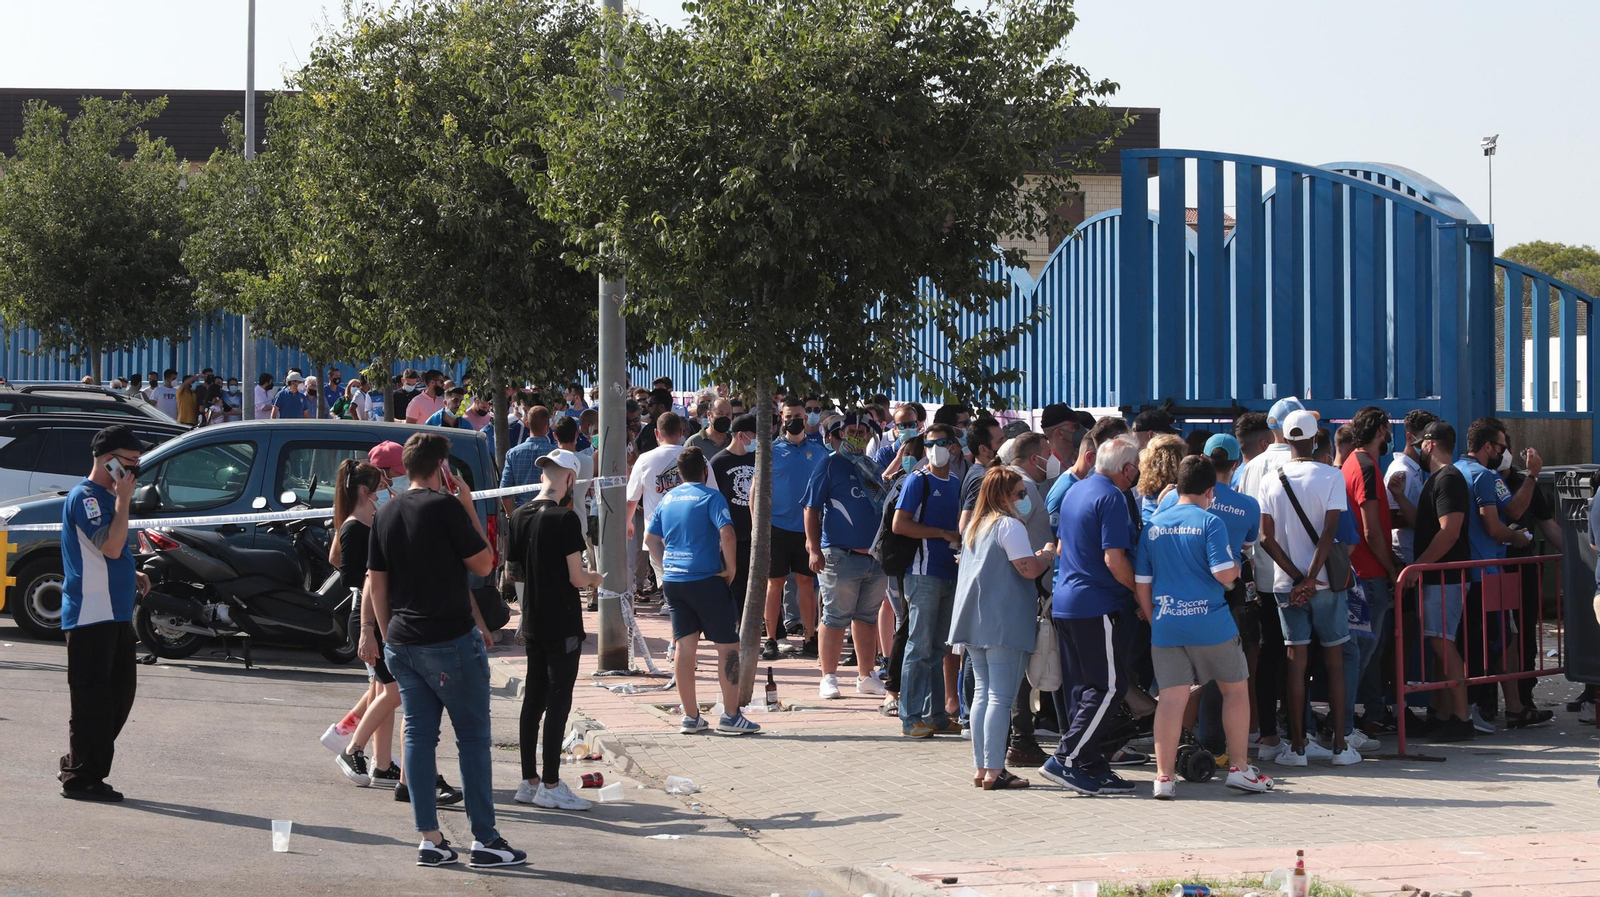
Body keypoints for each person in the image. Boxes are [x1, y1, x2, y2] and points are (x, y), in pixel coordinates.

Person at [364, 432, 525, 869]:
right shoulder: (448, 508)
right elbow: (485, 563)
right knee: (472, 739)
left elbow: (376, 582)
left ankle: (430, 839)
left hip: (402, 640)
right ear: (441, 468)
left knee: (419, 735)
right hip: (450, 639)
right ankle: (485, 839)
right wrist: (468, 504)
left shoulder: (386, 511)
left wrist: (387, 635)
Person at [1137, 455, 1274, 799]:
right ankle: (1240, 770)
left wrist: (1154, 618)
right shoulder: (1210, 522)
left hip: (1167, 622)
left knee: (1170, 699)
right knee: (1235, 690)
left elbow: (1142, 582)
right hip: (1211, 622)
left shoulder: (1153, 525)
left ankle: (1163, 778)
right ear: (1210, 491)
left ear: (1177, 487)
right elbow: (1225, 573)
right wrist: (1236, 575)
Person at [1036, 434, 1141, 796]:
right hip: (1097, 602)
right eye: (1135, 469)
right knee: (1109, 687)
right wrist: (1140, 593)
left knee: (1084, 689)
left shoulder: (1075, 490)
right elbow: (1115, 560)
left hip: (1068, 599)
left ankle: (1090, 763)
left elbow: (1066, 545)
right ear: (1126, 469)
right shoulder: (1112, 497)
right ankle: (1067, 758)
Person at [1256, 409, 1359, 767]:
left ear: (1284, 439)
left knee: (1294, 663)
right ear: (1316, 440)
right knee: (1334, 660)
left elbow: (1266, 538)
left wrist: (1297, 578)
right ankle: (1340, 746)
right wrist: (1313, 577)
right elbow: (1330, 533)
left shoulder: (1270, 480)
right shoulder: (1330, 476)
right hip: (1326, 583)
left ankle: (1297, 746)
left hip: (1287, 586)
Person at [57, 425, 152, 802]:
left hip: (112, 615)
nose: (134, 470)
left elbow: (112, 554)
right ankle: (81, 778)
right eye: (130, 462)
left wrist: (134, 570)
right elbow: (110, 548)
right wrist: (124, 500)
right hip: (90, 616)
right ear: (108, 460)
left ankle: (84, 764)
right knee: (92, 701)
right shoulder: (89, 498)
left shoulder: (106, 497)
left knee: (117, 696)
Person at [506, 449, 603, 810]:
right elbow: (576, 577)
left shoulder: (518, 515)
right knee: (558, 701)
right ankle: (549, 782)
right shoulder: (564, 519)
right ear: (570, 480)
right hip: (561, 620)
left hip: (532, 618)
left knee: (533, 699)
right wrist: (595, 578)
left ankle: (529, 779)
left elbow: (513, 570)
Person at [645, 446, 761, 736]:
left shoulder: (667, 498)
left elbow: (650, 538)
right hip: (705, 578)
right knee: (727, 647)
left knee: (684, 646)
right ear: (705, 470)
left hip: (675, 580)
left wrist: (667, 564)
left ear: (679, 474)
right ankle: (732, 717)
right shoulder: (711, 496)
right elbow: (728, 533)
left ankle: (691, 716)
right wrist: (731, 568)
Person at [1455, 417, 1550, 731]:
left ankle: (1510, 707)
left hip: (1463, 573)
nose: (1504, 452)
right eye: (1501, 446)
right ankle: (1483, 708)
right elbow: (1509, 516)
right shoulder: (1486, 476)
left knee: (1483, 640)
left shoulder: (1454, 471)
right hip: (1488, 572)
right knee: (1499, 640)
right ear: (1488, 446)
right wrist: (1533, 475)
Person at [329, 460, 405, 789]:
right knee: (393, 690)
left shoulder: (359, 523)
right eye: (380, 489)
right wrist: (368, 629)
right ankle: (352, 748)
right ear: (364, 491)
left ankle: (382, 762)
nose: (386, 494)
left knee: (381, 691)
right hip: (369, 615)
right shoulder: (356, 527)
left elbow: (335, 557)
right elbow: (357, 575)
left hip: (373, 614)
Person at [803, 412, 889, 698]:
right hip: (840, 555)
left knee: (867, 618)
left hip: (874, 558)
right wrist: (814, 548)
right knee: (835, 617)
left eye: (863, 432)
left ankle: (866, 675)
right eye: (851, 430)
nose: (858, 436)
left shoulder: (872, 467)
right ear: (839, 434)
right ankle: (828, 676)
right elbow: (811, 508)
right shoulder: (829, 465)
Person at [891, 422, 964, 738]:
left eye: (943, 442)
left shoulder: (957, 482)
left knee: (938, 647)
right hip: (922, 574)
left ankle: (936, 715)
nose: (937, 448)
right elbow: (900, 525)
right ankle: (911, 716)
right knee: (919, 646)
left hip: (949, 572)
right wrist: (941, 534)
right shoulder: (916, 481)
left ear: (954, 446)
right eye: (931, 443)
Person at [1408, 421, 1475, 741]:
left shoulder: (1448, 478)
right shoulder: (1440, 479)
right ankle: (1443, 713)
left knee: (1442, 643)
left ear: (1431, 444)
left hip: (1445, 578)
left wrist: (1418, 567)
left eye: (1422, 443)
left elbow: (1449, 532)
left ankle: (1461, 717)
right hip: (1440, 577)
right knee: (1439, 643)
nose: (1419, 449)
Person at [1341, 406, 1400, 741]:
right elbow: (1372, 530)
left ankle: (1347, 722)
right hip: (1368, 576)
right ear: (1380, 430)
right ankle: (1344, 727)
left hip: (1358, 574)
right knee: (1360, 654)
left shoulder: (1352, 462)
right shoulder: (1365, 466)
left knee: (1360, 653)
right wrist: (1392, 568)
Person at [763, 402, 827, 660]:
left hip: (808, 530)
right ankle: (771, 638)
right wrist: (759, 526)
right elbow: (757, 489)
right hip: (776, 527)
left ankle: (810, 637)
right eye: (789, 417)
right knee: (774, 583)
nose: (795, 421)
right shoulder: (770, 451)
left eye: (799, 416)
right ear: (781, 417)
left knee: (805, 582)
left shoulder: (819, 452)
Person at [1386, 410, 1439, 568]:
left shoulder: (1415, 470)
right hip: (1405, 554)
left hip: (1412, 553)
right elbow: (1390, 518)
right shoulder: (1402, 472)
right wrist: (1426, 520)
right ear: (1410, 437)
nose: (1429, 447)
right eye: (1424, 440)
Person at [501, 406, 558, 517]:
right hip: (549, 513)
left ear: (527, 424)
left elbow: (504, 491)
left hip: (522, 513)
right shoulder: (556, 454)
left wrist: (511, 516)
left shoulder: (513, 453)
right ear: (547, 427)